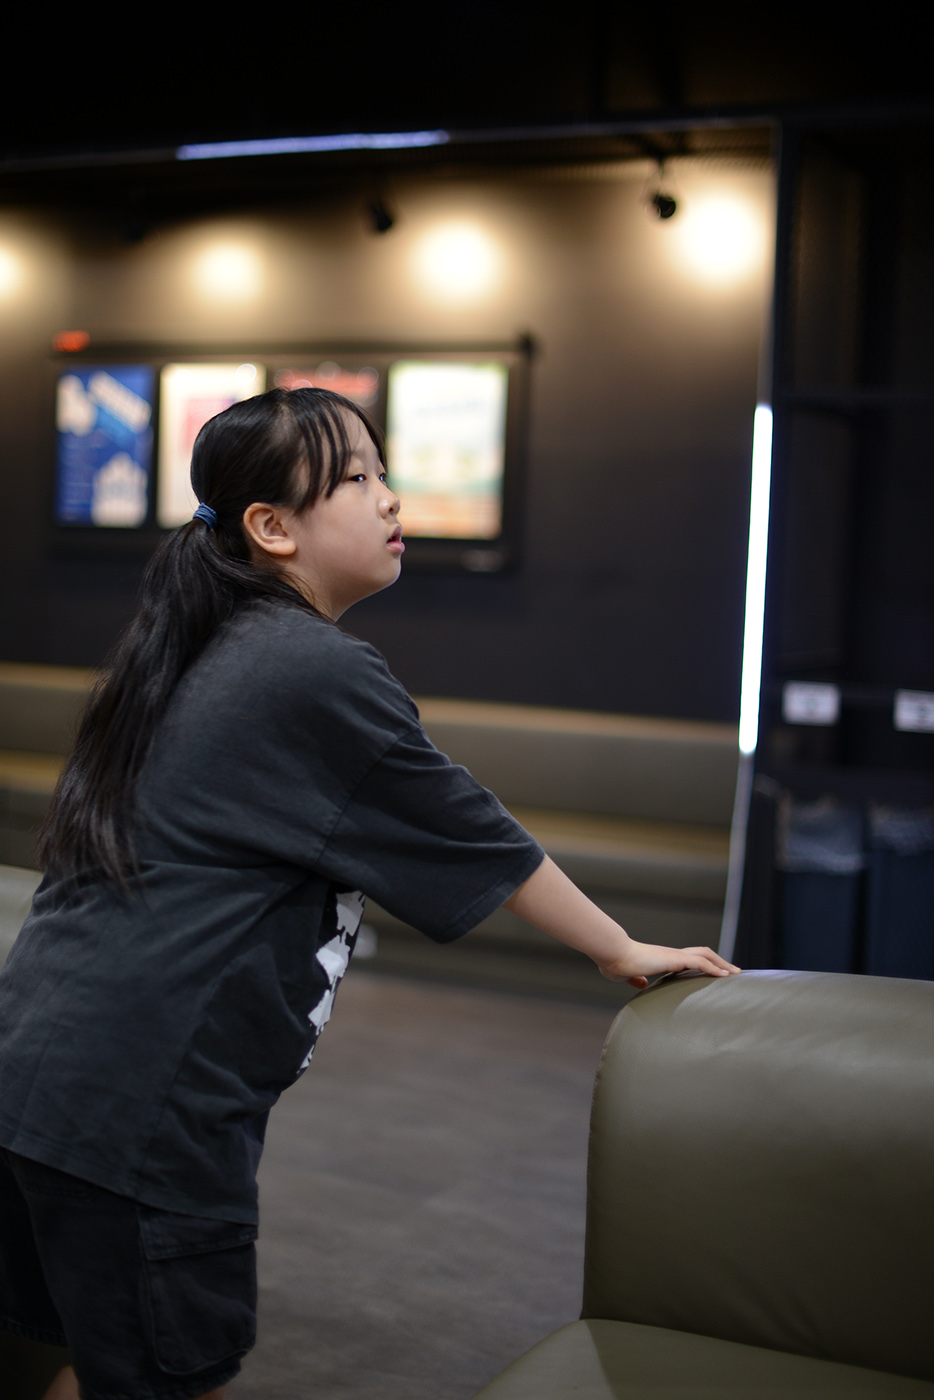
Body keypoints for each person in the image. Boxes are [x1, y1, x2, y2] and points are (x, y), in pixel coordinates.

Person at [0, 387, 739, 1400]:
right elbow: (467, 824)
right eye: (356, 477)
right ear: (272, 528)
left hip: (39, 1078)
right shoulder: (309, 666)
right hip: (136, 1107)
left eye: (383, 471)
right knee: (163, 1379)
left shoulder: (202, 644)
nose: (391, 497)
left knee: (98, 1365)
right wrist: (618, 946)